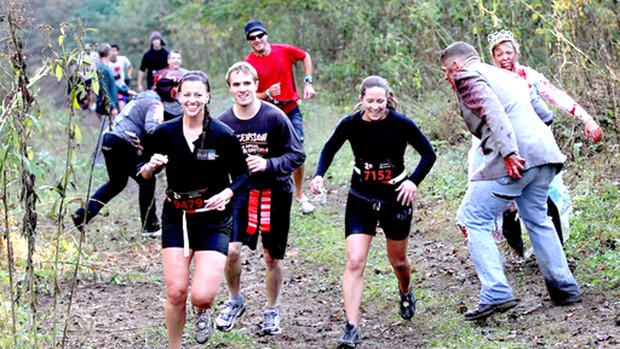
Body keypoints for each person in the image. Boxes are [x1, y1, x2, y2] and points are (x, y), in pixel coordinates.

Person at [440, 41, 581, 321]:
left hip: (516, 159)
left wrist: (510, 152)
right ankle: (565, 288)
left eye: (445, 71)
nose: (446, 77)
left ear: (456, 66)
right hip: (545, 156)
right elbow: (545, 115)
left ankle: (496, 293)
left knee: (472, 218)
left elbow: (493, 111)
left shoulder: (467, 76)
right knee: (538, 218)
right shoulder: (507, 75)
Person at [309, 76, 436, 348]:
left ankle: (405, 290)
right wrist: (319, 175)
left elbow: (428, 154)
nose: (375, 107)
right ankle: (351, 327)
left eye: (380, 101)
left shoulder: (401, 124)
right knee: (355, 261)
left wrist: (413, 181)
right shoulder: (351, 123)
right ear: (362, 99)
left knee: (399, 262)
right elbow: (329, 149)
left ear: (387, 98)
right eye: (370, 101)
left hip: (395, 197)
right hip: (361, 197)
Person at [140, 71, 248, 347]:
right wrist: (151, 167)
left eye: (198, 94)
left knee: (201, 295)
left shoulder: (222, 135)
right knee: (176, 292)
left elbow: (244, 176)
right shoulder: (164, 132)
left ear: (208, 97)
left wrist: (227, 192)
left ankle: (203, 311)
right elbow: (142, 172)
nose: (192, 99)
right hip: (176, 216)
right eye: (186, 94)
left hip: (213, 219)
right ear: (177, 95)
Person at [485, 29, 604, 253]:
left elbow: (557, 97)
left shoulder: (528, 77)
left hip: (537, 144)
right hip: (508, 146)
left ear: (516, 53)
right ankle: (518, 247)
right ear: (493, 57)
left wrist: (586, 119)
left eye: (508, 52)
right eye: (499, 54)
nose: (505, 57)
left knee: (547, 196)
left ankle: (556, 251)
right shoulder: (490, 81)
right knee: (509, 202)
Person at [215, 62, 305, 335]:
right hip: (240, 192)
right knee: (231, 251)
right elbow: (213, 160)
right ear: (229, 88)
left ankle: (271, 309)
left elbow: (297, 155)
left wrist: (269, 164)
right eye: (237, 84)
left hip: (276, 191)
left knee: (271, 257)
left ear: (256, 85)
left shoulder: (275, 117)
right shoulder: (223, 123)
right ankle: (234, 300)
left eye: (247, 83)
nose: (242, 89)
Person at [72, 69, 184, 237]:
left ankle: (83, 214)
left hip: (110, 139)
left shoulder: (145, 96)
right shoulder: (155, 104)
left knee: (116, 183)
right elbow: (153, 129)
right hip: (124, 142)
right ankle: (150, 227)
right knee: (147, 180)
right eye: (178, 89)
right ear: (170, 88)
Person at [243, 19, 316, 214]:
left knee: (297, 149)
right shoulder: (248, 64)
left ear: (266, 35)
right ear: (248, 41)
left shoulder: (283, 50)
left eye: (260, 35)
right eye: (252, 38)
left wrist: (308, 82)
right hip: (267, 113)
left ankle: (300, 195)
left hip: (290, 108)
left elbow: (305, 56)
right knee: (269, 156)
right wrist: (266, 93)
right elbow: (249, 95)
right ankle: (272, 196)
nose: (257, 40)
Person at [92, 43, 120, 166]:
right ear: (108, 53)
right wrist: (112, 107)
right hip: (106, 107)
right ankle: (97, 161)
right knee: (104, 134)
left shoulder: (105, 67)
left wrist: (125, 91)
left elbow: (111, 85)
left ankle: (98, 159)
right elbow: (104, 90)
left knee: (106, 132)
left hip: (111, 104)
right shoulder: (101, 68)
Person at [108, 44, 134, 110]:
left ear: (118, 52)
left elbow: (130, 67)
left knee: (121, 105)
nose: (113, 53)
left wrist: (129, 75)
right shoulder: (106, 63)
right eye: (112, 51)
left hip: (121, 86)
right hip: (111, 88)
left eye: (115, 51)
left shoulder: (123, 59)